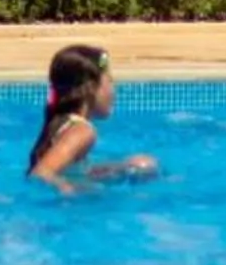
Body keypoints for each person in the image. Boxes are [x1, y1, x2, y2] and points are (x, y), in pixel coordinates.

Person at [26, 44, 156, 190]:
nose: (114, 90)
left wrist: (117, 169)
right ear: (92, 88)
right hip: (61, 202)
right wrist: (77, 191)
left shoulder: (61, 123)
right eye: (110, 81)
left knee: (141, 164)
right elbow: (40, 174)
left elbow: (65, 170)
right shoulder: (83, 131)